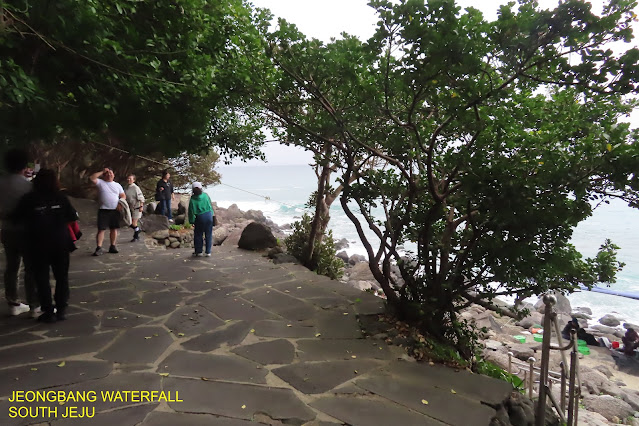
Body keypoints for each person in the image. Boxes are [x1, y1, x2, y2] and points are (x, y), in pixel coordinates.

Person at [13, 169, 78, 322]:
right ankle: (61, 309)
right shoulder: (61, 198)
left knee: (41, 278)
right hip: (60, 242)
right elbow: (72, 216)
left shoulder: (29, 199)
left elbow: (17, 218)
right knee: (61, 277)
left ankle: (48, 310)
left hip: (37, 243)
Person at [0, 148, 39, 317]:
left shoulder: (1, 183)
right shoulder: (29, 186)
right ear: (24, 165)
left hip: (7, 230)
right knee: (31, 268)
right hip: (27, 231)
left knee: (12, 266)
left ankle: (13, 302)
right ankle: (34, 305)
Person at [90, 168, 125, 255]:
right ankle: (99, 248)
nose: (109, 175)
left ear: (114, 175)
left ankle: (112, 246)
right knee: (101, 229)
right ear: (104, 175)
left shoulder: (117, 185)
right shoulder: (101, 183)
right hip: (103, 210)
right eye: (107, 173)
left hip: (115, 210)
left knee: (114, 229)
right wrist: (102, 171)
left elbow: (123, 195)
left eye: (111, 173)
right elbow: (92, 178)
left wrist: (120, 203)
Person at [188, 182, 214, 257]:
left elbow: (191, 211)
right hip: (209, 215)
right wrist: (211, 215)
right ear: (201, 188)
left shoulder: (192, 199)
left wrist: (192, 221)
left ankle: (199, 251)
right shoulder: (205, 195)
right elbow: (210, 206)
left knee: (198, 234)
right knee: (208, 234)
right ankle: (208, 252)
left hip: (200, 217)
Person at [125, 174, 145, 242]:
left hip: (137, 207)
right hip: (130, 207)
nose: (129, 180)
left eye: (130, 179)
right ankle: (137, 230)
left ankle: (136, 236)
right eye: (128, 178)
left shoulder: (136, 188)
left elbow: (141, 198)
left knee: (134, 223)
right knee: (128, 222)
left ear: (133, 180)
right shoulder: (127, 188)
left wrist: (141, 206)